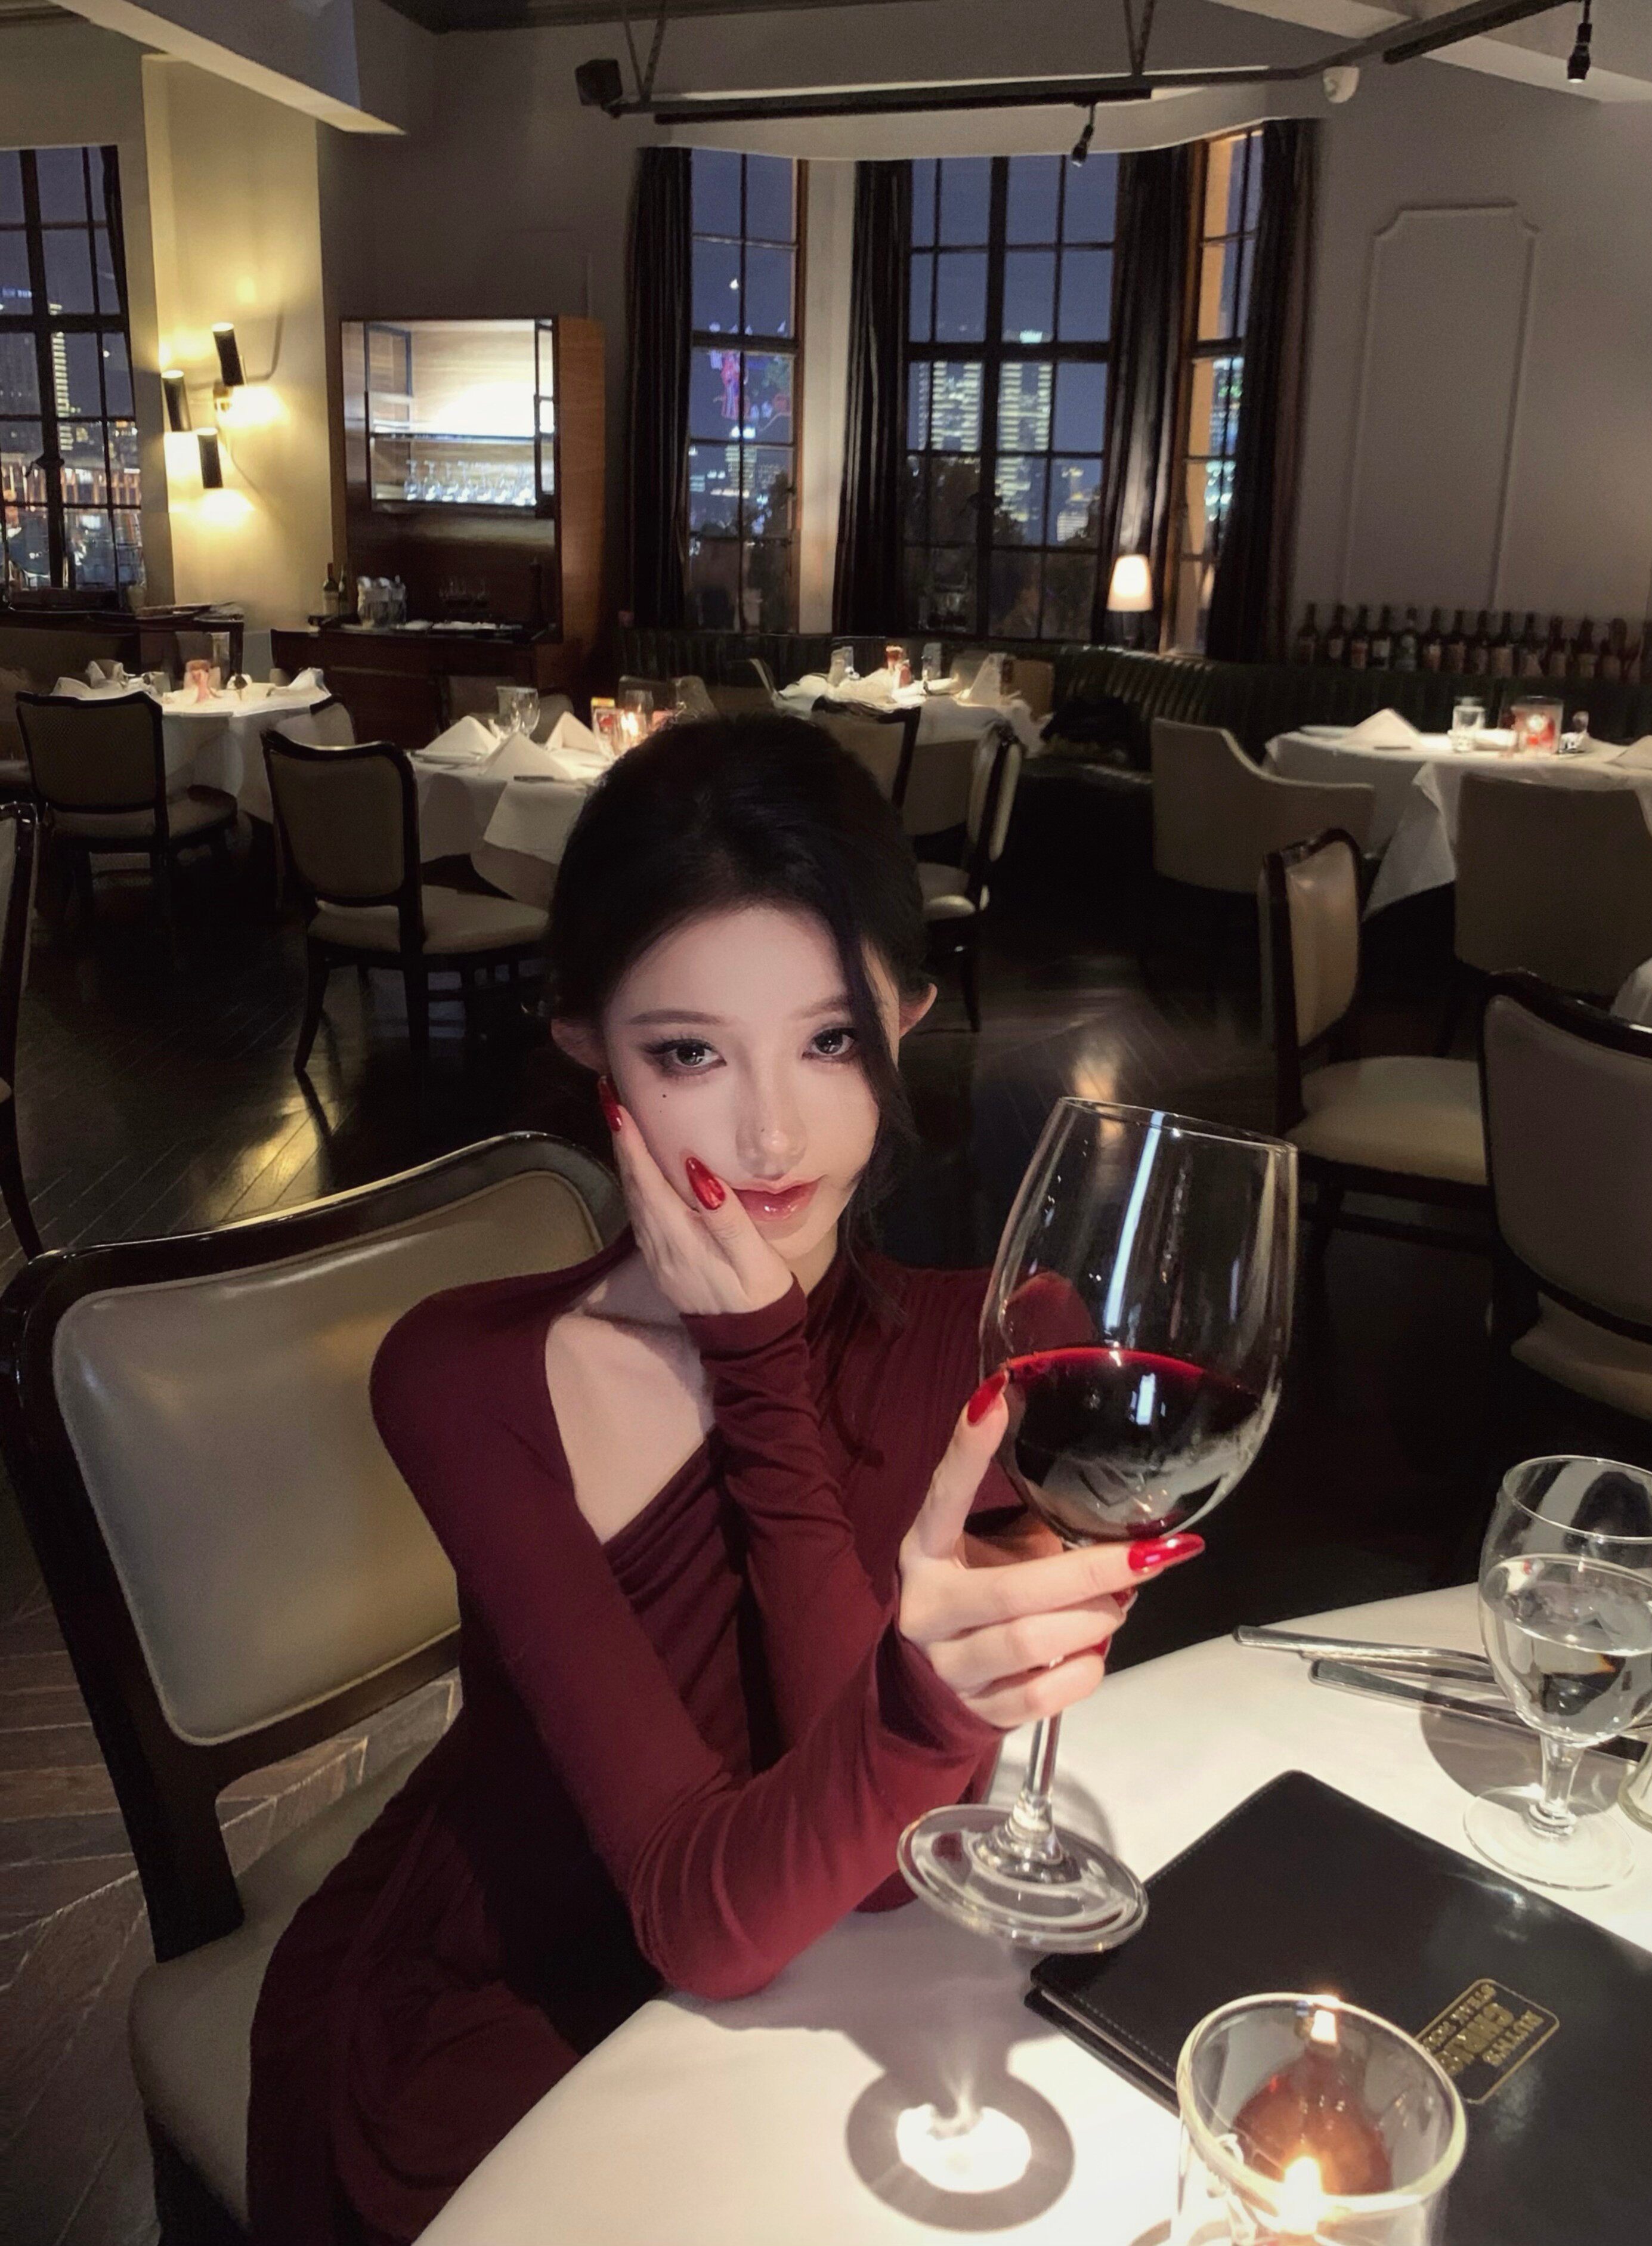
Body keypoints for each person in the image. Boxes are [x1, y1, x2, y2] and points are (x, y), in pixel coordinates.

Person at [246, 716, 1202, 2243]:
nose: (770, 1131)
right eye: (689, 1050)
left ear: (908, 1015)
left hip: (857, 2012)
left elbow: (880, 1889)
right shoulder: (465, 1374)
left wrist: (772, 1382)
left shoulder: (1007, 1344)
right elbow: (711, 1921)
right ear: (588, 1042)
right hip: (519, 1997)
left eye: (831, 1040)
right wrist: (757, 1363)